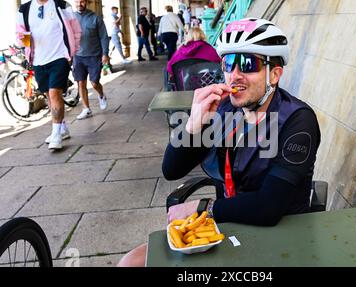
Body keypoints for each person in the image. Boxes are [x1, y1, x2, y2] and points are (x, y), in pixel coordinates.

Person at [117, 18, 321, 267]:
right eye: (228, 63)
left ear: (274, 74)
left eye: (247, 64)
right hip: (229, 225)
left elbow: (270, 206)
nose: (234, 75)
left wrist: (204, 207)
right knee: (129, 264)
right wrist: (193, 124)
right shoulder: (225, 111)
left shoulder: (298, 121)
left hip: (282, 233)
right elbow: (172, 170)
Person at [16, 0, 81, 150]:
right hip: (38, 60)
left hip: (59, 57)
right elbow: (21, 36)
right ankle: (62, 128)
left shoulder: (62, 5)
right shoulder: (24, 9)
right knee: (48, 95)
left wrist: (71, 53)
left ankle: (56, 134)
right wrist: (23, 40)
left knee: (54, 94)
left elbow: (76, 31)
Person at [73, 0, 110, 120]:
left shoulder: (95, 18)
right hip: (78, 56)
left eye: (82, 1)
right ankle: (86, 109)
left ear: (86, 2)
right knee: (81, 82)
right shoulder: (71, 18)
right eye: (77, 2)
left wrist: (105, 54)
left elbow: (104, 37)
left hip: (94, 55)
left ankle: (101, 95)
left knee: (94, 83)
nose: (79, 4)